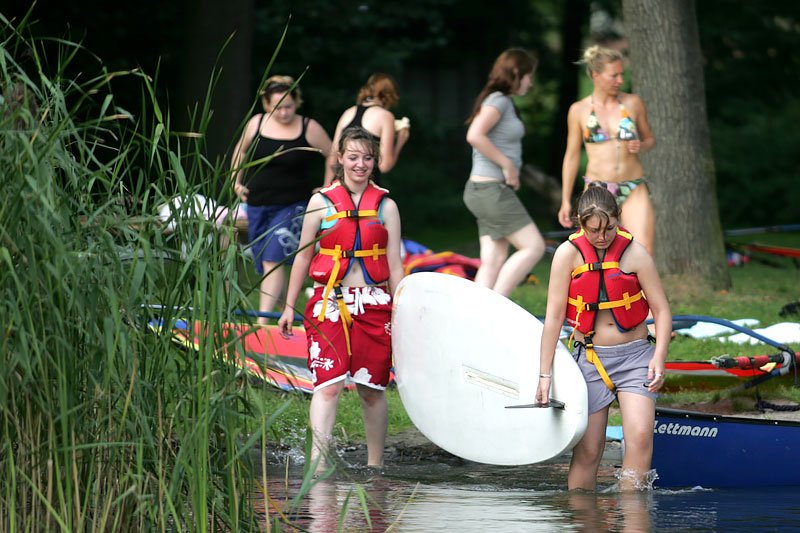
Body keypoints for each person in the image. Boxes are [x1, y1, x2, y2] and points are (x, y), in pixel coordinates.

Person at [278, 126, 405, 472]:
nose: (360, 164)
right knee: (329, 386)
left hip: (374, 303)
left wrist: (403, 309)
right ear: (340, 159)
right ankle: (317, 468)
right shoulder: (320, 202)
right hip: (328, 302)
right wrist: (289, 306)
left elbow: (394, 264)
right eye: (353, 157)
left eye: (367, 158)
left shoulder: (387, 206)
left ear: (375, 161)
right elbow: (303, 257)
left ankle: (375, 467)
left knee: (372, 389)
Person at [537, 183, 671, 491]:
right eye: (594, 230)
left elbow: (662, 312)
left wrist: (659, 358)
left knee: (638, 436)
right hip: (591, 359)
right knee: (588, 449)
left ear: (618, 218)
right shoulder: (566, 255)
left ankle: (633, 514)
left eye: (609, 228)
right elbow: (555, 318)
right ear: (580, 223)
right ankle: (584, 518)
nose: (602, 236)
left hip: (637, 356)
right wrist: (544, 375)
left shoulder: (636, 253)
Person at [231, 75, 332, 325]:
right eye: (278, 106)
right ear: (267, 104)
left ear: (297, 102)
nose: (284, 112)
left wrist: (328, 186)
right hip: (258, 203)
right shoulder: (257, 123)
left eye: (288, 106)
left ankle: (262, 325)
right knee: (268, 265)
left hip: (293, 205)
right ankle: (294, 314)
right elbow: (241, 151)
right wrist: (236, 180)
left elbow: (333, 154)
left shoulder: (308, 127)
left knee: (272, 258)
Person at [463, 48, 546, 297]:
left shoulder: (502, 101)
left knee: (493, 260)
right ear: (517, 73)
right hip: (489, 190)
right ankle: (496, 310)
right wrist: (507, 165)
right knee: (533, 247)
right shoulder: (498, 100)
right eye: (529, 76)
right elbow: (474, 135)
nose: (530, 82)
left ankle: (473, 318)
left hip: (483, 190)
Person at [559, 45, 656, 254]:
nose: (620, 80)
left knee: (644, 249)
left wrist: (641, 144)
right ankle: (605, 288)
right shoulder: (579, 110)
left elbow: (650, 139)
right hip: (597, 189)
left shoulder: (633, 102)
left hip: (633, 187)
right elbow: (572, 157)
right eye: (614, 75)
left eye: (622, 74)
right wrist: (566, 200)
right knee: (597, 252)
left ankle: (640, 288)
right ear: (596, 75)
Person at [325, 73, 410, 186]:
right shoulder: (385, 116)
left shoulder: (348, 112)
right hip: (366, 189)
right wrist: (400, 141)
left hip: (340, 186)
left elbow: (332, 159)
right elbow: (384, 166)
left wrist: (326, 187)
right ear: (390, 95)